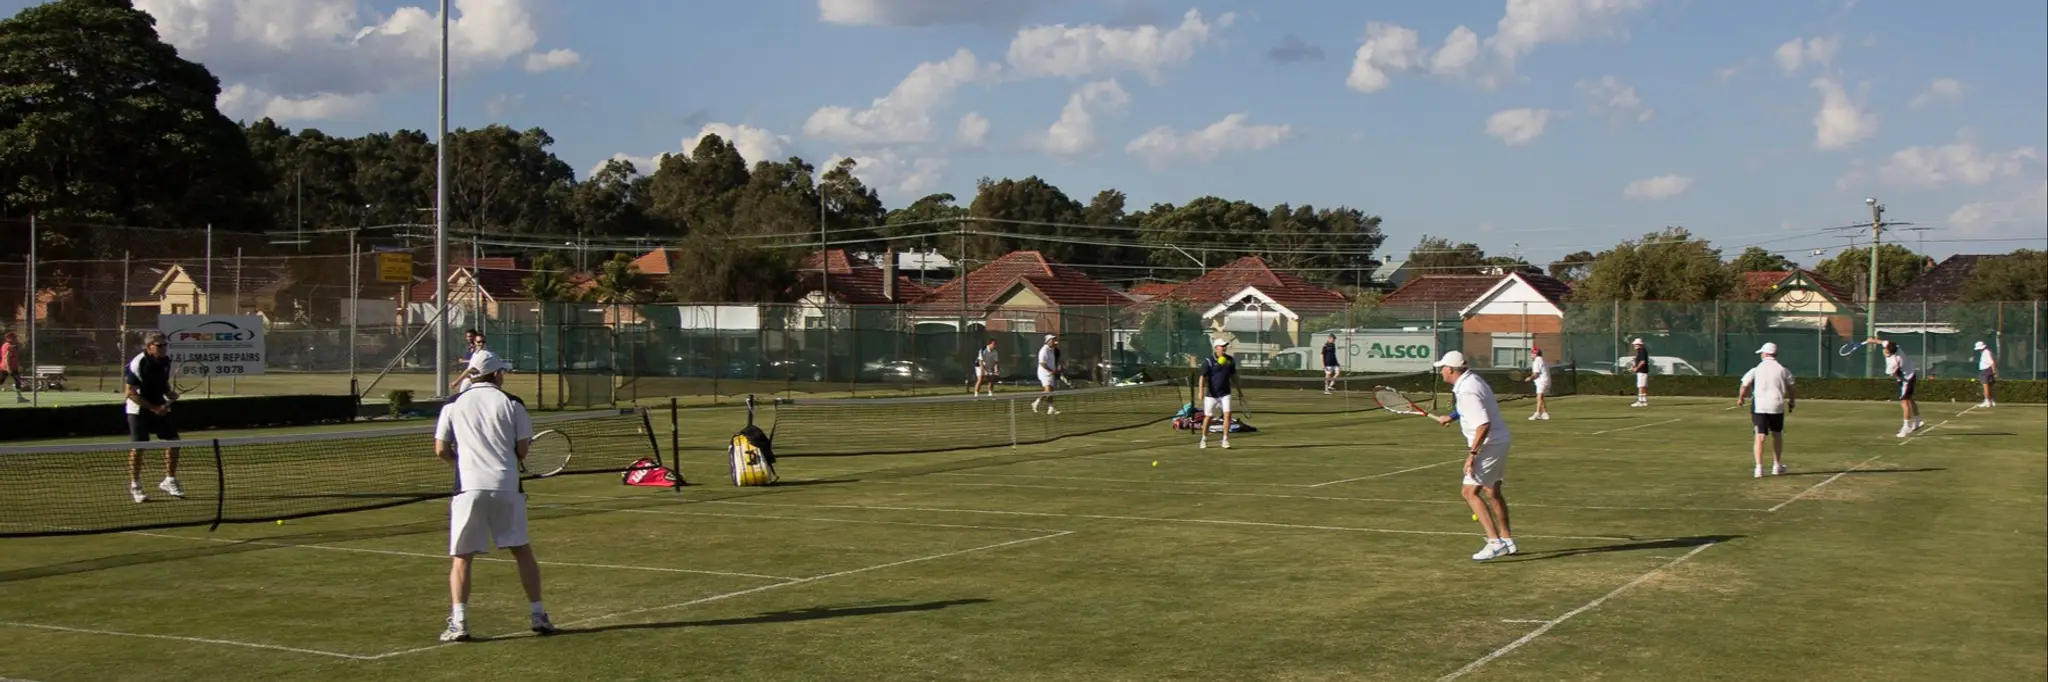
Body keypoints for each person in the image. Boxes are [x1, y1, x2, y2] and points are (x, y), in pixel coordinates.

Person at [435, 350, 555, 642]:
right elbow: (523, 449)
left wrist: (461, 465)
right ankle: (538, 614)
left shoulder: (453, 404)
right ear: (495, 374)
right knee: (522, 550)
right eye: (501, 371)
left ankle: (460, 622)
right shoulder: (513, 403)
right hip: (507, 486)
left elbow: (441, 449)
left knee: (462, 558)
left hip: (469, 488)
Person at [1431, 350, 1516, 561]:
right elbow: (1471, 409)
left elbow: (1483, 424)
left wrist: (1472, 454)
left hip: (1489, 444)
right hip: (1499, 441)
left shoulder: (1467, 390)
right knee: (1492, 491)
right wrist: (1451, 417)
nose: (1441, 372)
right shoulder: (1472, 380)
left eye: (1443, 368)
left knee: (1469, 492)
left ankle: (1495, 543)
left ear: (1451, 370)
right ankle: (1507, 540)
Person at [123, 333, 184, 504]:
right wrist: (154, 408)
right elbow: (130, 393)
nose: (164, 348)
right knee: (140, 447)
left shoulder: (165, 360)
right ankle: (135, 486)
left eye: (165, 345)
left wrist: (168, 393)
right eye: (160, 346)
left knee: (174, 441)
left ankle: (169, 480)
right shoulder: (138, 363)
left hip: (158, 405)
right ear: (149, 347)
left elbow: (162, 382)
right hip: (137, 410)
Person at [1737, 342, 1795, 478]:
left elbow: (1744, 384)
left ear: (1765, 354)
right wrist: (1792, 401)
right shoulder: (1783, 369)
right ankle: (1776, 466)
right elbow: (1792, 386)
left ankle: (1759, 468)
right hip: (1777, 406)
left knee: (1760, 436)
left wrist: (1741, 398)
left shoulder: (1757, 369)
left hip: (1760, 406)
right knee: (1777, 435)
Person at [1197, 337, 1238, 449]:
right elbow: (1202, 377)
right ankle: (1204, 438)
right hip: (1211, 394)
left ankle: (1225, 439)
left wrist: (1239, 391)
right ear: (1216, 348)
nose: (1224, 348)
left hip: (1225, 393)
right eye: (1222, 346)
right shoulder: (1208, 361)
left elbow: (1234, 376)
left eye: (1225, 346)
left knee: (1228, 416)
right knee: (1208, 417)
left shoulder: (1230, 360)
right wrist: (1200, 391)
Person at [1876, 339, 1922, 437]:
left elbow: (1891, 373)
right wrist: (1872, 340)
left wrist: (1886, 357)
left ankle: (1906, 427)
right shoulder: (1897, 347)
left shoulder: (1894, 362)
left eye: (1886, 349)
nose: (1884, 349)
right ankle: (1918, 419)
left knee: (1904, 402)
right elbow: (1883, 342)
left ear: (1889, 351)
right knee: (1909, 399)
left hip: (1906, 380)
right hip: (1911, 374)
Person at [1031, 334, 1060, 415]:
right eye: (1053, 340)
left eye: (1054, 340)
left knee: (1051, 391)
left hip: (1050, 372)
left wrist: (1054, 370)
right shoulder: (1044, 350)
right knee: (1048, 390)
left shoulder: (1051, 349)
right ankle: (1036, 403)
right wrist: (1050, 370)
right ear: (1048, 341)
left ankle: (1051, 408)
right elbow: (1042, 363)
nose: (1054, 342)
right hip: (1044, 373)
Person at [1, 331, 24, 402]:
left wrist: (18, 365)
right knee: (17, 381)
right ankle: (19, 397)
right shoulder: (9, 347)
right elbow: (6, 358)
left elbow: (12, 358)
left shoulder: (5, 345)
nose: (15, 339)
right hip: (9, 368)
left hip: (8, 367)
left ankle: (19, 397)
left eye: (15, 338)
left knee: (17, 381)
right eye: (13, 338)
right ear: (8, 339)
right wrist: (8, 368)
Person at [1975, 340, 1998, 408]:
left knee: (1986, 386)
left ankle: (1987, 401)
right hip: (1987, 370)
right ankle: (1991, 401)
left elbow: (1992, 362)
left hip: (1986, 371)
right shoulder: (1987, 352)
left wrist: (1994, 371)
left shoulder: (1986, 353)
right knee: (1989, 387)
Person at [1629, 337, 1651, 407]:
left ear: (1639, 344)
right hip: (1643, 371)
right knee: (1643, 386)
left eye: (1635, 344)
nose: (1634, 346)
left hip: (1642, 371)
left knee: (1641, 386)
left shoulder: (1641, 351)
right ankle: (1644, 401)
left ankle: (1640, 401)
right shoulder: (1642, 351)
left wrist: (1636, 368)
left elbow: (1642, 361)